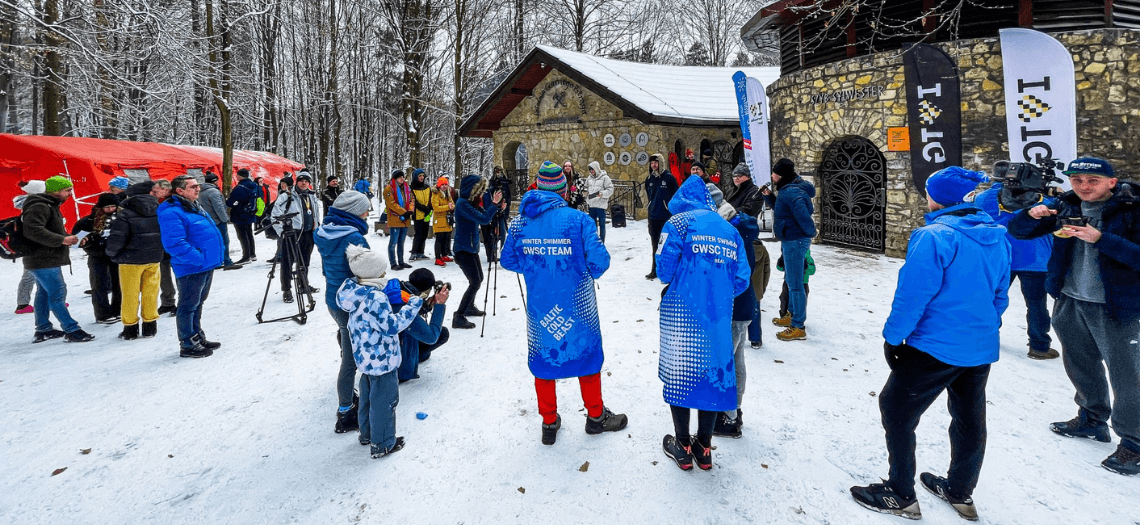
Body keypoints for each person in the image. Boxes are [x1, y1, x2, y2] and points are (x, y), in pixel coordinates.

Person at [851, 166, 1007, 520]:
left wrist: (893, 337)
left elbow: (912, 296)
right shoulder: (996, 234)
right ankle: (960, 489)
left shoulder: (934, 236)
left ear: (934, 196)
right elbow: (1000, 293)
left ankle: (900, 493)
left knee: (896, 409)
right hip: (978, 345)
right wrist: (983, 327)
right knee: (969, 417)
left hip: (934, 345)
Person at [1008, 157, 1140, 476]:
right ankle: (1092, 419)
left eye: (1091, 181)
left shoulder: (1132, 210)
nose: (1082, 186)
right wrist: (1030, 214)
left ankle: (1134, 442)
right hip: (1070, 299)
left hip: (1117, 306)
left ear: (1112, 181)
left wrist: (1101, 239)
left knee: (1128, 375)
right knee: (1079, 362)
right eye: (1077, 180)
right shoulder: (1066, 205)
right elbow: (1018, 231)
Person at [500, 159, 628, 446]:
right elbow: (599, 263)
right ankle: (596, 417)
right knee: (586, 355)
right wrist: (572, 264)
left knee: (544, 358)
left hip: (541, 306)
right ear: (564, 189)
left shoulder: (521, 222)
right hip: (577, 303)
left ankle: (549, 422)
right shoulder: (579, 219)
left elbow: (508, 260)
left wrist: (537, 267)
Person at [656, 175, 751, 471]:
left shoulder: (678, 224)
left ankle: (683, 444)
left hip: (682, 315)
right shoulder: (729, 230)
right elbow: (742, 278)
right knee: (712, 373)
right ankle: (704, 446)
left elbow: (664, 269)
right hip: (718, 316)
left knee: (681, 373)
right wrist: (716, 291)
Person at [335, 243, 424, 458]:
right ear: (374, 274)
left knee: (367, 397)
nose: (385, 274)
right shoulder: (376, 298)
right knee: (384, 401)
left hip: (365, 357)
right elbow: (392, 326)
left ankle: (366, 434)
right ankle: (383, 443)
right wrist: (413, 306)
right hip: (382, 358)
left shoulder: (353, 292)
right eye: (382, 271)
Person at [975, 179, 1057, 359]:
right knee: (1036, 304)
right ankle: (1039, 346)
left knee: (993, 299)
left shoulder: (983, 199)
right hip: (1036, 259)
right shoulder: (1043, 201)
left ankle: (986, 337)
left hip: (1003, 256)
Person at [315, 190, 373, 434]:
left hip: (333, 300)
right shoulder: (354, 238)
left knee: (345, 343)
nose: (368, 213)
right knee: (350, 360)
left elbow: (328, 272)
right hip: (351, 304)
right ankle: (345, 412)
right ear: (353, 212)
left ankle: (347, 396)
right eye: (365, 209)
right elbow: (368, 275)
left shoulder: (325, 232)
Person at [705, 184, 759, 439]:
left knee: (724, 362)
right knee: (736, 358)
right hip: (745, 304)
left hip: (733, 305)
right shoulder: (739, 222)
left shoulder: (727, 230)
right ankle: (734, 411)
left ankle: (727, 417)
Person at [21, 176, 94, 343]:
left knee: (44, 294)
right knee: (57, 293)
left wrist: (70, 238)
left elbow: (49, 230)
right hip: (43, 259)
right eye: (67, 190)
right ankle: (72, 329)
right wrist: (62, 240)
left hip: (44, 258)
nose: (70, 193)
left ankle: (43, 329)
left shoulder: (48, 205)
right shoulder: (40, 205)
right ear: (55, 191)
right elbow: (32, 231)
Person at [159, 175, 224, 358]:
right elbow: (174, 243)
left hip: (204, 264)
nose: (198, 189)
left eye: (198, 186)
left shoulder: (193, 206)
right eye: (193, 186)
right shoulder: (172, 212)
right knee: (188, 305)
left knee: (198, 303)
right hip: (191, 266)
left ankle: (197, 336)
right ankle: (187, 343)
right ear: (179, 191)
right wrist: (198, 258)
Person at [762, 158, 816, 341]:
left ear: (780, 175)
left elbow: (802, 213)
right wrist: (769, 196)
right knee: (791, 279)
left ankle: (798, 326)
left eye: (774, 173)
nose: (772, 176)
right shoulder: (789, 188)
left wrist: (809, 232)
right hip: (791, 239)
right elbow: (782, 208)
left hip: (795, 240)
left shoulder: (791, 191)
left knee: (795, 284)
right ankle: (791, 316)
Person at [106, 181, 164, 340]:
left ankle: (130, 328)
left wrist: (111, 252)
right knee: (151, 292)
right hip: (153, 257)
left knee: (130, 294)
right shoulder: (159, 210)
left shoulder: (124, 214)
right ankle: (150, 325)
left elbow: (117, 238)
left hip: (130, 259)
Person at [451, 174, 504, 329]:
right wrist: (493, 205)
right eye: (478, 190)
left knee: (478, 279)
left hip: (471, 247)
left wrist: (498, 208)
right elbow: (484, 219)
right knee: (475, 282)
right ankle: (458, 315)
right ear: (471, 190)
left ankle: (469, 307)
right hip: (463, 249)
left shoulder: (471, 203)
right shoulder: (462, 204)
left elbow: (486, 213)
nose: (480, 194)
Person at [271, 171, 321, 303]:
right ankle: (286, 290)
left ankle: (303, 285)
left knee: (304, 261)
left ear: (309, 183)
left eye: (306, 181)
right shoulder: (287, 196)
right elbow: (275, 216)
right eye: (301, 180)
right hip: (292, 234)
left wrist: (317, 227)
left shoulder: (311, 196)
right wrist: (282, 232)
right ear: (296, 182)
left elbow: (315, 213)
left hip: (308, 233)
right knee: (287, 262)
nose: (303, 183)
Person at [72, 192, 121, 324]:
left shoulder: (122, 218)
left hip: (117, 254)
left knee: (119, 284)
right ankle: (102, 314)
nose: (110, 210)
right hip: (97, 255)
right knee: (99, 284)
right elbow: (77, 238)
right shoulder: (89, 221)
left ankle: (118, 310)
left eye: (113, 206)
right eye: (107, 207)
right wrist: (87, 241)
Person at [396, 268, 451, 382]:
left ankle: (415, 356)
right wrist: (440, 305)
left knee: (426, 353)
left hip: (394, 342)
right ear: (425, 292)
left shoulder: (400, 291)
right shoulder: (406, 311)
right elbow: (431, 337)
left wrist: (427, 304)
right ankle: (407, 365)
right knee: (442, 333)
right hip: (398, 360)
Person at [12, 180, 45, 314]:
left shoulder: (26, 203)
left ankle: (23, 303)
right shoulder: (36, 205)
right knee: (34, 274)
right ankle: (23, 304)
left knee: (34, 273)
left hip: (29, 244)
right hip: (36, 245)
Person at [644, 153, 677, 280]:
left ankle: (668, 270)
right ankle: (655, 269)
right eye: (652, 163)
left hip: (665, 217)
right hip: (653, 217)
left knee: (667, 245)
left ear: (661, 163)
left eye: (656, 162)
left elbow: (675, 196)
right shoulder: (649, 179)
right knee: (655, 245)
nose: (653, 165)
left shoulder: (669, 178)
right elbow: (649, 197)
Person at [199, 171, 239, 270]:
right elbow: (219, 208)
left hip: (208, 220)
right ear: (215, 181)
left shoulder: (201, 191)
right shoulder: (213, 192)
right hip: (217, 221)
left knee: (213, 242)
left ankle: (216, 261)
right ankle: (227, 261)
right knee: (224, 241)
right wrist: (225, 219)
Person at [152, 179, 178, 316]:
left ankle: (183, 303)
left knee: (180, 274)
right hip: (160, 244)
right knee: (163, 275)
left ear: (166, 189)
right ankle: (168, 302)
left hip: (174, 243)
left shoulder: (175, 202)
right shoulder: (154, 202)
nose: (154, 193)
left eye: (157, 190)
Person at [225, 168, 260, 264]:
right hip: (250, 213)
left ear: (240, 176)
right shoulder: (254, 185)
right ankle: (252, 254)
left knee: (242, 235)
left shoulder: (240, 188)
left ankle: (246, 256)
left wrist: (229, 201)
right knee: (249, 234)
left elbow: (230, 202)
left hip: (240, 214)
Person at [776, 250, 815, 324]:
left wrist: (805, 267)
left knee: (799, 301)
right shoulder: (789, 254)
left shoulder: (807, 257)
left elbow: (812, 270)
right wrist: (781, 263)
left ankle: (796, 319)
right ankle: (784, 316)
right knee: (784, 298)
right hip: (788, 281)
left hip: (802, 283)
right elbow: (780, 268)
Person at [383, 170, 412, 270]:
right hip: (395, 218)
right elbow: (391, 203)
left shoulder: (407, 188)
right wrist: (404, 211)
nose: (402, 179)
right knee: (393, 242)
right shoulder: (389, 189)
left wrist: (410, 211)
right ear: (395, 178)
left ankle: (401, 261)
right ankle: (393, 263)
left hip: (405, 219)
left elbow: (412, 199)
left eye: (403, 177)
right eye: (399, 177)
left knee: (401, 242)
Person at [583, 161, 614, 244]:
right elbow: (585, 188)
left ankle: (602, 242)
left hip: (601, 206)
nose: (591, 172)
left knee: (602, 225)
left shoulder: (605, 178)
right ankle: (595, 242)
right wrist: (585, 195)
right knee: (593, 226)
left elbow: (610, 189)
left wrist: (602, 194)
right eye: (590, 170)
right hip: (592, 205)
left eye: (592, 169)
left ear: (596, 168)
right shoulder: (589, 178)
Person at [489, 166, 514, 255]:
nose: (498, 174)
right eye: (497, 172)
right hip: (495, 209)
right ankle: (493, 250)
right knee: (494, 231)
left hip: (503, 209)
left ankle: (503, 249)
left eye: (500, 172)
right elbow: (490, 194)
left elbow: (508, 196)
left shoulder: (505, 182)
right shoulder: (492, 182)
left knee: (503, 231)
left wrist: (506, 207)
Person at [431, 176, 455, 267]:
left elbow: (452, 203)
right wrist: (448, 207)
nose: (444, 186)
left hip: (447, 221)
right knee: (439, 240)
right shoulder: (435, 194)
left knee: (446, 239)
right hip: (439, 221)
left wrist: (451, 206)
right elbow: (436, 208)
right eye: (443, 184)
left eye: (446, 184)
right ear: (439, 185)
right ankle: (438, 258)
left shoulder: (448, 194)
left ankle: (444, 255)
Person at [409, 169, 432, 261]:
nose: (422, 177)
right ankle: (414, 252)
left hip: (427, 214)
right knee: (418, 234)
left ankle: (421, 252)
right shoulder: (411, 188)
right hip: (417, 214)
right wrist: (424, 208)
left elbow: (431, 198)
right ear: (415, 177)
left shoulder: (427, 187)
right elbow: (414, 201)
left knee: (424, 234)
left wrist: (429, 209)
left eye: (423, 176)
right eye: (420, 176)